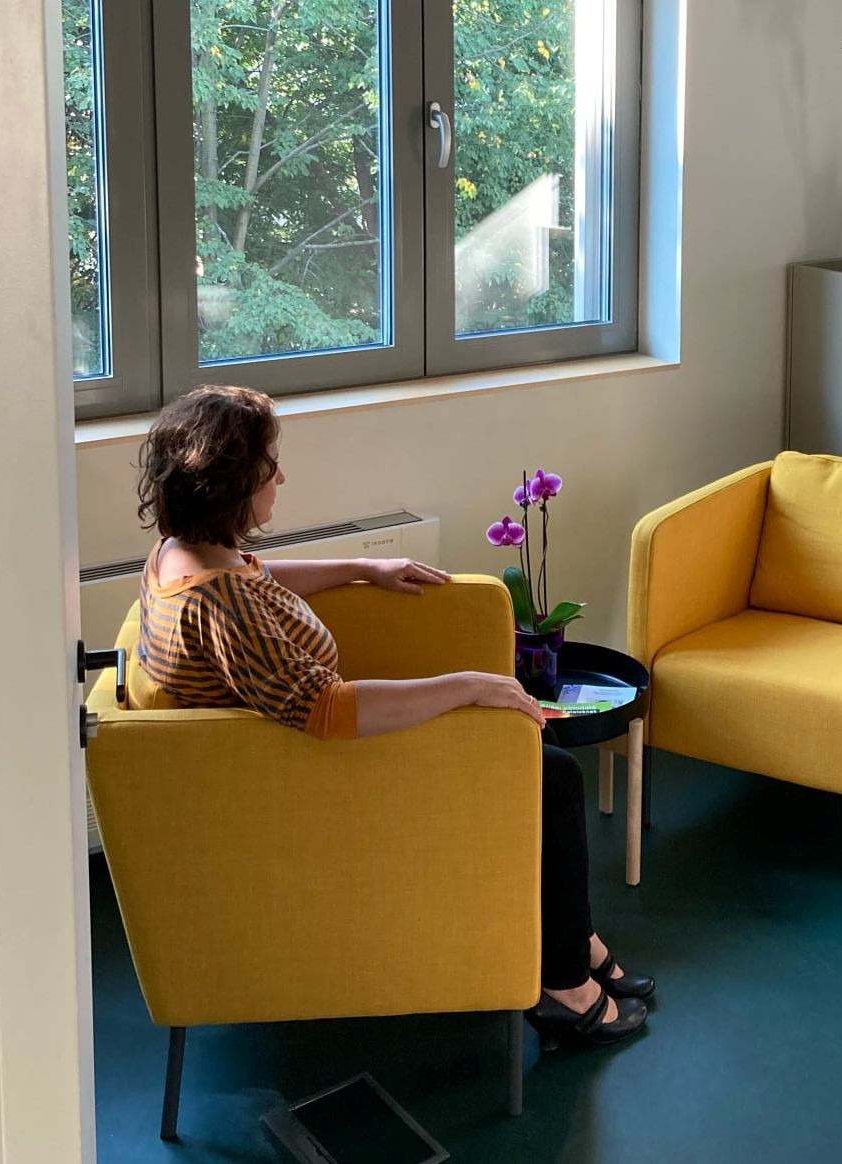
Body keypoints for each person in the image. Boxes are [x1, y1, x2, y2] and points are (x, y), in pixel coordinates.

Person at [133, 385, 652, 1045]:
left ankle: (572, 943)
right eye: (270, 465)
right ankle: (566, 988)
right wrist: (468, 685)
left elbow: (255, 578)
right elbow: (329, 707)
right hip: (314, 792)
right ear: (232, 484)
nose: (280, 478)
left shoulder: (179, 556)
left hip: (280, 766)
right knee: (550, 775)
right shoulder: (222, 607)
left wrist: (361, 567)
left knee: (537, 766)